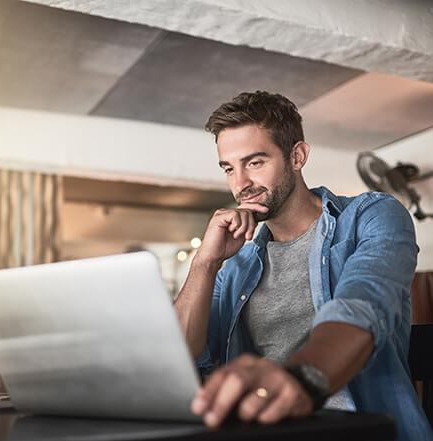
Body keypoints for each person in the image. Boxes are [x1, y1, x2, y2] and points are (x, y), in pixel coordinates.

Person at [174, 91, 432, 441]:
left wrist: (299, 381)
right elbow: (181, 356)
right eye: (228, 168)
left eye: (255, 162)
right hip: (262, 431)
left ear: (297, 156)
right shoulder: (234, 265)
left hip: (362, 430)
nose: (240, 184)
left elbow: (362, 305)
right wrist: (206, 262)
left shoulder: (371, 216)